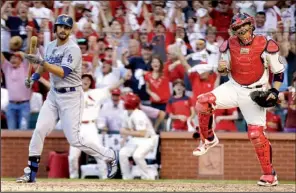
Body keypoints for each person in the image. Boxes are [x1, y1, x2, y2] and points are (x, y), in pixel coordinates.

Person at [16, 14, 119, 183]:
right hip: (54, 95)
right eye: (60, 26)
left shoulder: (73, 49)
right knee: (39, 130)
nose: (63, 30)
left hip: (71, 96)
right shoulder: (49, 46)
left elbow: (62, 72)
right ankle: (30, 173)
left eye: (66, 27)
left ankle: (109, 155)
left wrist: (41, 62)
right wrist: (33, 78)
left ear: (70, 30)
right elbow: (43, 67)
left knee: (75, 140)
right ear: (55, 28)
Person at [191, 13, 285, 186]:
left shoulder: (266, 44)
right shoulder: (227, 45)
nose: (242, 30)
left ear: (251, 25)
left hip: (255, 92)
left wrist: (274, 91)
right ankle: (208, 139)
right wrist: (221, 68)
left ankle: (269, 175)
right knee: (203, 101)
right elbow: (223, 69)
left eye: (244, 25)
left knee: (256, 134)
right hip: (233, 87)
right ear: (233, 31)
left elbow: (278, 72)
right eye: (237, 28)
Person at [67, 73, 130, 179]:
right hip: (76, 127)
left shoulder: (96, 93)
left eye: (88, 80)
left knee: (98, 152)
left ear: (91, 83)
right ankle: (73, 177)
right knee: (73, 156)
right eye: (84, 79)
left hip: (90, 126)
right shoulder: (73, 93)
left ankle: (104, 177)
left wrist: (123, 79)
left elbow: (111, 88)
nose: (86, 81)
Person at [119, 92, 158, 180]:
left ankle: (148, 177)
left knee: (137, 155)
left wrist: (126, 132)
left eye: (125, 100)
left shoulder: (139, 114)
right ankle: (126, 178)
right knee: (122, 153)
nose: (123, 102)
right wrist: (124, 140)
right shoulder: (125, 113)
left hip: (148, 139)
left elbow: (142, 133)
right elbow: (126, 129)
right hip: (136, 139)